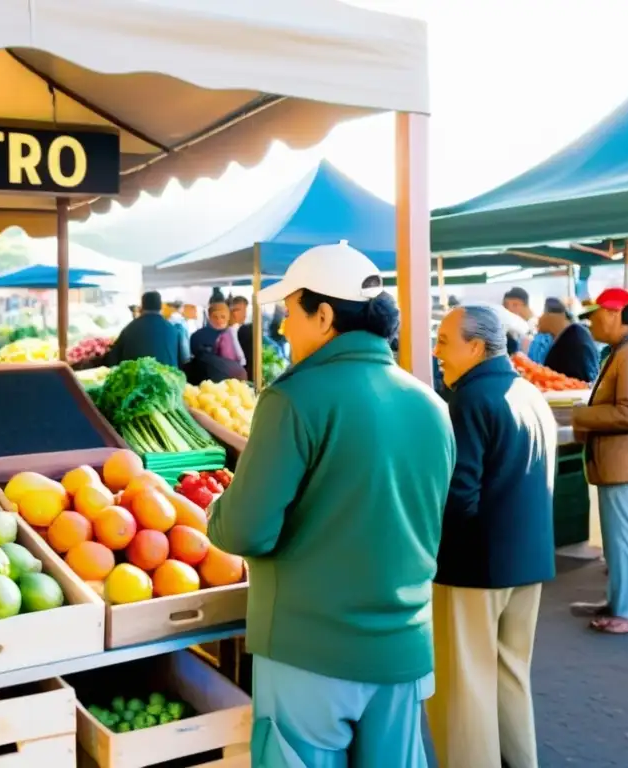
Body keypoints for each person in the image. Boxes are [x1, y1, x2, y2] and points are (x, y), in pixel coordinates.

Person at [207, 242, 455, 767]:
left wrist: (218, 511)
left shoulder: (294, 399)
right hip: (403, 651)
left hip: (309, 650)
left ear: (323, 315)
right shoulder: (431, 405)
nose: (281, 329)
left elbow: (245, 531)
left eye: (289, 313)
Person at [429, 304, 557, 768]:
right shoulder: (529, 393)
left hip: (474, 567)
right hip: (529, 561)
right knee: (510, 678)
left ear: (476, 346)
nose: (436, 351)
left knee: (464, 691)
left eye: (444, 340)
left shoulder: (468, 400)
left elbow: (458, 497)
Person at [571, 289, 628, 634]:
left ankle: (625, 612)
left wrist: (581, 415)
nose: (590, 322)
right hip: (621, 464)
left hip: (625, 464)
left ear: (615, 312)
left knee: (625, 542)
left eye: (595, 315)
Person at [105, 291, 187, 368]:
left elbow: (113, 358)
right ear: (160, 307)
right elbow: (183, 359)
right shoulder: (172, 330)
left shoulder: (130, 329)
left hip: (136, 380)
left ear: (142, 307)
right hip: (168, 380)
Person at [537, 298, 600, 383]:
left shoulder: (573, 340)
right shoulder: (573, 336)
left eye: (542, 314)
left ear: (553, 316)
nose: (539, 319)